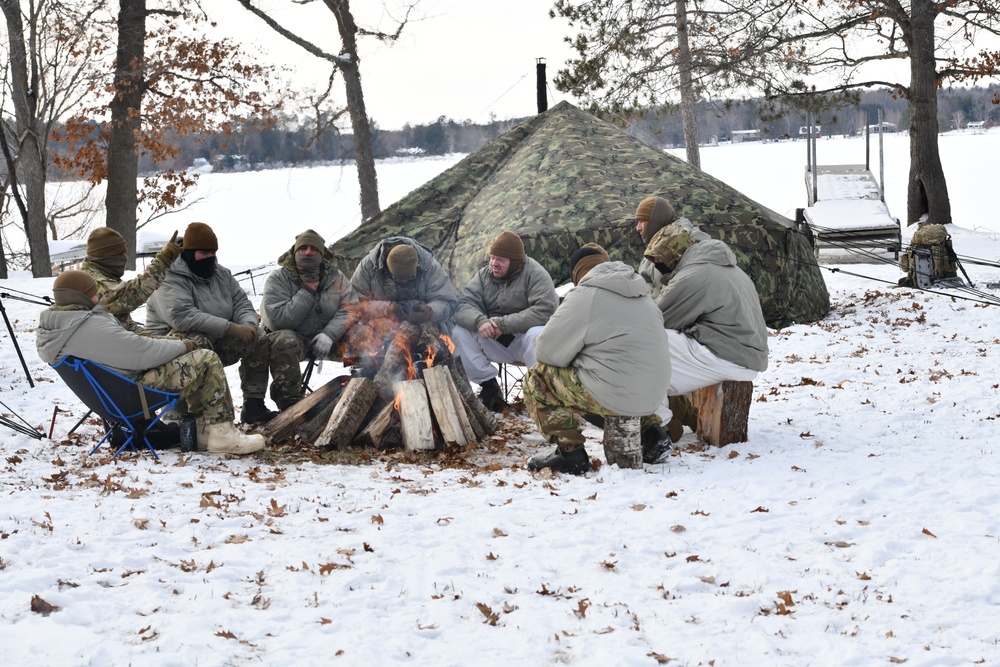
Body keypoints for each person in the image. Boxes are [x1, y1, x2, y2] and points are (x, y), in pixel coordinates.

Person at [36, 271, 265, 454]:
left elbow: (129, 346)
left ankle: (203, 429)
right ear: (81, 297)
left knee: (184, 345)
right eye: (93, 294)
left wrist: (170, 340)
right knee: (205, 359)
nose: (98, 298)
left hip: (111, 394)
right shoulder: (89, 327)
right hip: (133, 394)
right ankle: (222, 434)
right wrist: (183, 346)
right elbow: (141, 353)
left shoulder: (60, 327)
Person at [524, 246, 671, 475]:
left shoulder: (586, 295)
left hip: (617, 393)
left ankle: (570, 453)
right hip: (654, 394)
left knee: (537, 377)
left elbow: (545, 351)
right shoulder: (642, 293)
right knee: (610, 376)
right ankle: (653, 433)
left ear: (577, 273)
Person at [144, 222, 275, 424]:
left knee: (258, 337)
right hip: (172, 351)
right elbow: (181, 316)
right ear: (188, 252)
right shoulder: (167, 276)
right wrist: (230, 327)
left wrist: (248, 325)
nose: (210, 257)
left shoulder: (221, 274)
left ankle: (253, 405)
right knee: (196, 340)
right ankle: (185, 412)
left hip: (214, 342)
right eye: (204, 252)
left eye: (213, 252)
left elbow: (241, 302)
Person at [643, 220, 769, 424]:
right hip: (744, 355)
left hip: (729, 357)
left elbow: (658, 319)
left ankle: (656, 424)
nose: (658, 263)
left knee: (644, 344)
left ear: (674, 254)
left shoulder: (695, 275)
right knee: (657, 355)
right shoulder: (725, 267)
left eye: (660, 258)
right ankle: (673, 413)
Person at [452, 231, 559, 411]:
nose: (494, 264)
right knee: (458, 332)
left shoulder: (535, 273)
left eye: (500, 259)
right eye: (492, 258)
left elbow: (546, 310)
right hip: (495, 339)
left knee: (538, 334)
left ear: (515, 261)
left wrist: (504, 324)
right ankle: (489, 387)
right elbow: (464, 305)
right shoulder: (484, 275)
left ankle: (541, 394)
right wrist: (480, 322)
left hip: (525, 341)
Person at [260, 229, 356, 411]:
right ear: (295, 252)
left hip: (329, 339)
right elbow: (278, 321)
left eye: (314, 249)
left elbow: (350, 308)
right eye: (303, 248)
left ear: (322, 254)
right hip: (296, 342)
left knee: (364, 334)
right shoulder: (278, 279)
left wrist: (328, 334)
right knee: (283, 340)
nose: (308, 252)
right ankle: (290, 406)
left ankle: (365, 391)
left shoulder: (337, 277)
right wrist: (306, 292)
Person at [350, 235, 458, 342]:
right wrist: (387, 308)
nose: (404, 282)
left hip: (424, 325)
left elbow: (447, 303)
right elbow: (354, 305)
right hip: (381, 323)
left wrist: (429, 312)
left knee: (432, 342)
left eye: (409, 277)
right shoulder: (369, 267)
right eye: (398, 278)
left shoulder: (429, 266)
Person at [80, 227, 182, 333]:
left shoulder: (106, 277)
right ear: (105, 256)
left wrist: (163, 342)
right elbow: (131, 295)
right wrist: (162, 260)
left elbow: (127, 325)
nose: (124, 258)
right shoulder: (92, 282)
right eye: (119, 254)